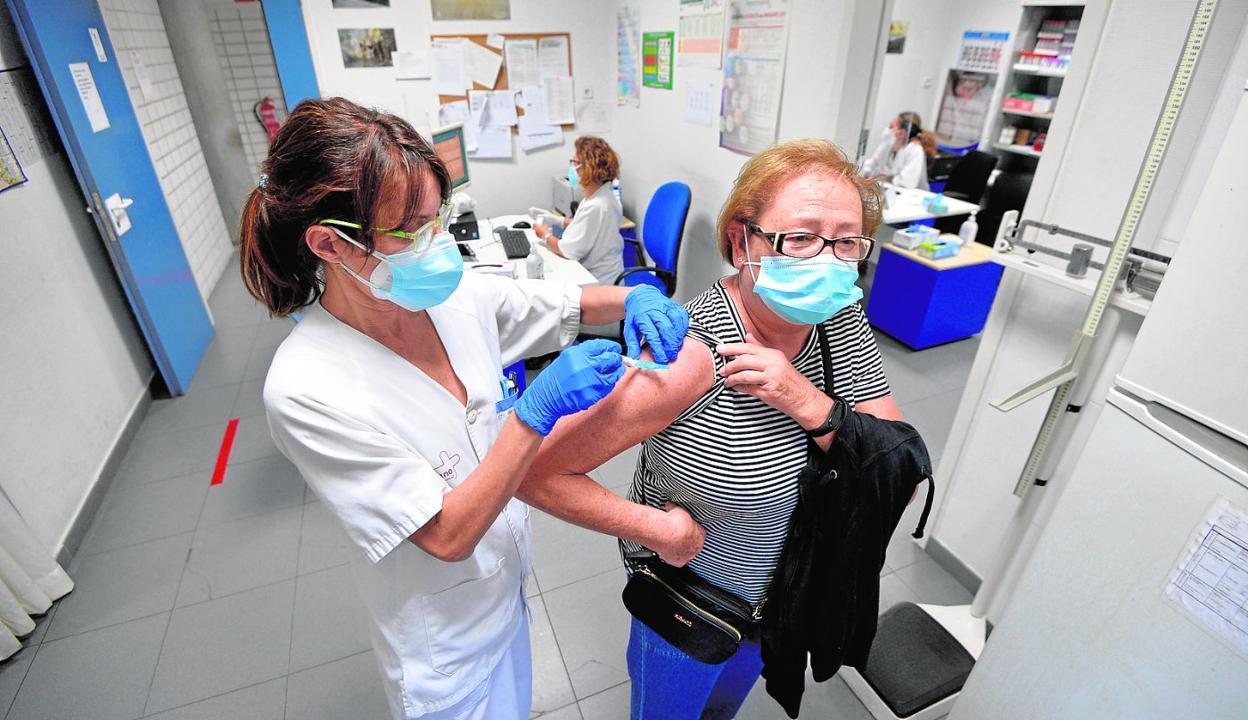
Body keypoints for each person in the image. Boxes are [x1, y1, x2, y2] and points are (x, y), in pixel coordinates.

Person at [239, 97, 695, 720]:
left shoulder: (454, 298)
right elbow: (448, 534)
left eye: (438, 215)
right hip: (444, 650)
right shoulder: (306, 388)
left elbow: (562, 303)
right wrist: (536, 412)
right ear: (329, 244)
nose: (436, 243)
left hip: (505, 594)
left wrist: (631, 300)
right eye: (411, 229)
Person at [518, 138, 904, 719]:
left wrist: (803, 399)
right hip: (691, 603)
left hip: (779, 597)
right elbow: (535, 472)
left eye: (845, 241)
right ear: (741, 242)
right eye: (799, 237)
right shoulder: (694, 355)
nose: (826, 260)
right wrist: (659, 531)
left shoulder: (840, 318)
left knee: (723, 710)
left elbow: (892, 456)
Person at [534, 136, 625, 285]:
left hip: (598, 281)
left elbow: (568, 251)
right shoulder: (601, 194)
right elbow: (587, 228)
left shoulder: (596, 205)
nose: (572, 168)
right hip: (602, 272)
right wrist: (559, 220)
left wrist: (544, 235)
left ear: (589, 167)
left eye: (575, 163)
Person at [860, 111, 936, 189]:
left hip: (911, 197)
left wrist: (879, 177)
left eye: (891, 126)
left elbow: (906, 183)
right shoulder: (887, 145)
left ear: (901, 133)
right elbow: (868, 166)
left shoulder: (915, 150)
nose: (888, 130)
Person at [935, 70, 992, 148]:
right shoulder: (951, 95)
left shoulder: (984, 98)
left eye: (969, 89)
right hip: (951, 141)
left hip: (966, 142)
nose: (966, 95)